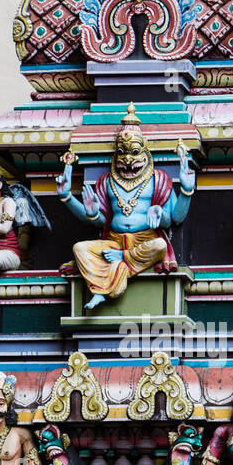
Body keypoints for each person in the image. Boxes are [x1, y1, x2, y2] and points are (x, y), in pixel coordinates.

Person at [55, 103, 195, 310]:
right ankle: (109, 282)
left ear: (145, 152)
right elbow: (98, 222)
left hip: (144, 242)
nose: (128, 161)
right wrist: (68, 197)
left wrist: (186, 190)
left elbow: (175, 218)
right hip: (112, 241)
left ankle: (107, 283)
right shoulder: (107, 181)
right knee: (80, 248)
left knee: (160, 246)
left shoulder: (158, 179)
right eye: (122, 153)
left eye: (135, 152)